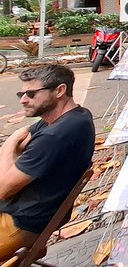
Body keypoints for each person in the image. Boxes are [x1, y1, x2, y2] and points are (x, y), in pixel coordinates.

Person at [0, 65, 95, 260]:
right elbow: (25, 140)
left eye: (31, 94)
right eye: (22, 93)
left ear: (59, 91)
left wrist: (9, 143)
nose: (23, 100)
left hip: (18, 223)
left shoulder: (54, 135)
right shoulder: (75, 116)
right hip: (33, 214)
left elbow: (3, 188)